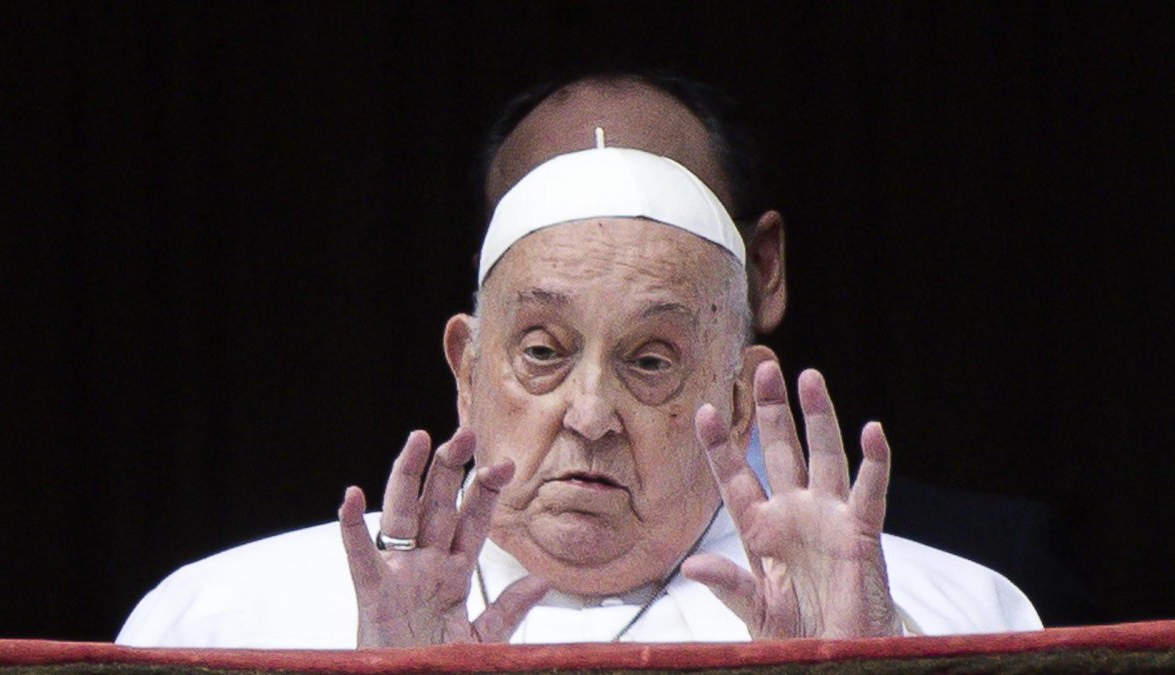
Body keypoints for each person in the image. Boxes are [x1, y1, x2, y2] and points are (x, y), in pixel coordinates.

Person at [116, 72, 1042, 648]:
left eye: (649, 359)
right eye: (543, 352)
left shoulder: (950, 614)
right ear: (466, 364)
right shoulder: (220, 620)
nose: (590, 413)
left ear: (737, 384)